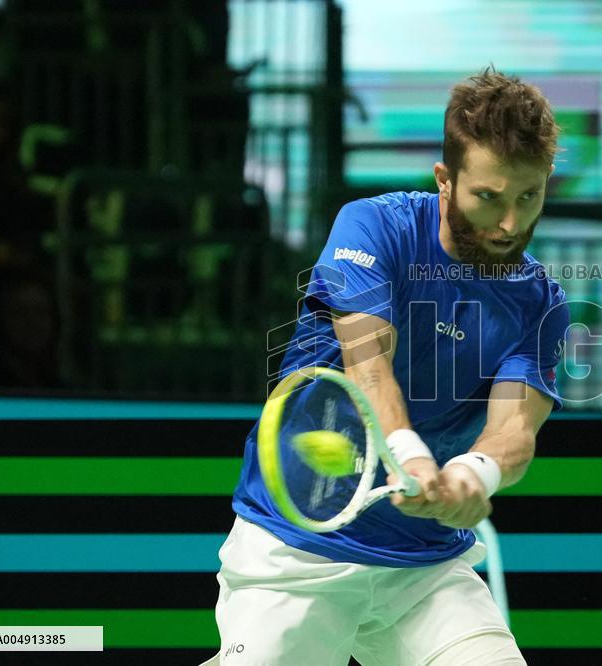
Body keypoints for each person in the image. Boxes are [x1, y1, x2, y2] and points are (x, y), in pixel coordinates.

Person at [204, 67, 569, 665]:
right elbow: (368, 364)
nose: (510, 223)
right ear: (445, 180)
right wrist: (411, 454)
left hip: (425, 571)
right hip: (296, 550)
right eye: (489, 197)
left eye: (528, 197)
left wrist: (474, 474)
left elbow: (514, 429)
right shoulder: (374, 227)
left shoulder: (541, 303)